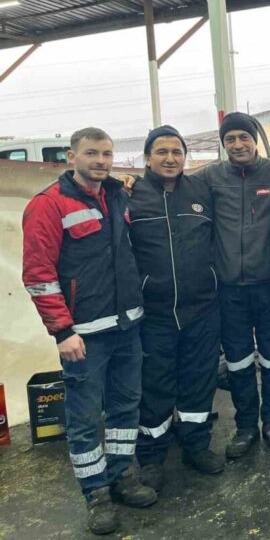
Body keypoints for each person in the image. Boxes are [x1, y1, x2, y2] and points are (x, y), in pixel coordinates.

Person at [22, 127, 155, 535]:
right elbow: (39, 275)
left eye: (107, 153)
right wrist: (62, 331)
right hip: (83, 336)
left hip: (127, 325)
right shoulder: (48, 205)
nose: (101, 160)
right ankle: (95, 493)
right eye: (92, 153)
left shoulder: (117, 195)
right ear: (70, 157)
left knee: (124, 409)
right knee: (82, 419)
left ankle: (121, 475)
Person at [198, 113, 270, 458]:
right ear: (223, 143)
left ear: (255, 139)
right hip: (229, 289)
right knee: (239, 360)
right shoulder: (210, 177)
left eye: (244, 137)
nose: (238, 144)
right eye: (230, 139)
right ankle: (245, 427)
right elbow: (169, 183)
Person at [128, 125, 224, 491]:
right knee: (155, 384)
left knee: (199, 380)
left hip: (201, 307)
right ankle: (151, 457)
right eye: (162, 152)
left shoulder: (202, 192)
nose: (170, 158)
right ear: (147, 158)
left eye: (177, 152)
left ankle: (196, 445)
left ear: (185, 157)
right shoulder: (130, 195)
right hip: (154, 312)